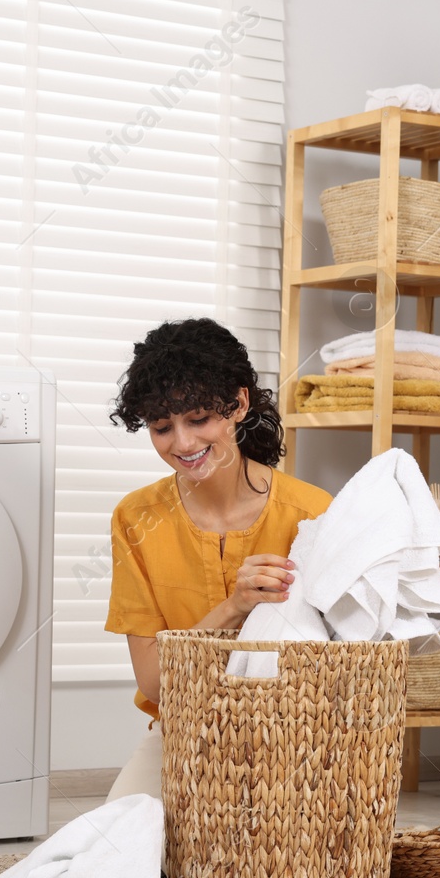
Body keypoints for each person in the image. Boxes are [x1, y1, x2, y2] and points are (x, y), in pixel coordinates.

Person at [103, 318, 331, 801]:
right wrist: (235, 607)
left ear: (239, 404)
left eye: (200, 419)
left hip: (297, 740)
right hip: (183, 732)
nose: (183, 444)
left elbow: (335, 670)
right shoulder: (135, 518)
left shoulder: (313, 514)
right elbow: (155, 683)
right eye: (162, 427)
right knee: (122, 848)